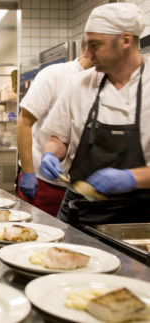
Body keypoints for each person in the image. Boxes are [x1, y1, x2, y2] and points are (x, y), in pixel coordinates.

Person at [39, 3, 150, 225]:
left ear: (126, 41)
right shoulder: (79, 84)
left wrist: (132, 178)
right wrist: (50, 154)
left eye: (95, 45)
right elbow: (58, 137)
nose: (87, 54)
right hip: (80, 212)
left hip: (140, 221)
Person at [16, 37, 93, 217]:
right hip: (44, 183)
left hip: (84, 191)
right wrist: (28, 172)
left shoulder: (104, 81)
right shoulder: (54, 75)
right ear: (89, 49)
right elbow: (24, 123)